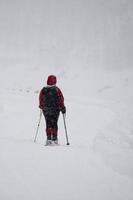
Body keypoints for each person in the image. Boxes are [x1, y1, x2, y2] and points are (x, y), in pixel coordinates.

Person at [39, 75, 66, 145]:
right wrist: (63, 107)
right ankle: (54, 138)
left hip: (46, 109)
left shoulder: (44, 89)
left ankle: (48, 138)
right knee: (54, 123)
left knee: (48, 123)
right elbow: (61, 99)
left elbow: (41, 98)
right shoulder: (57, 90)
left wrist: (41, 106)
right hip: (55, 110)